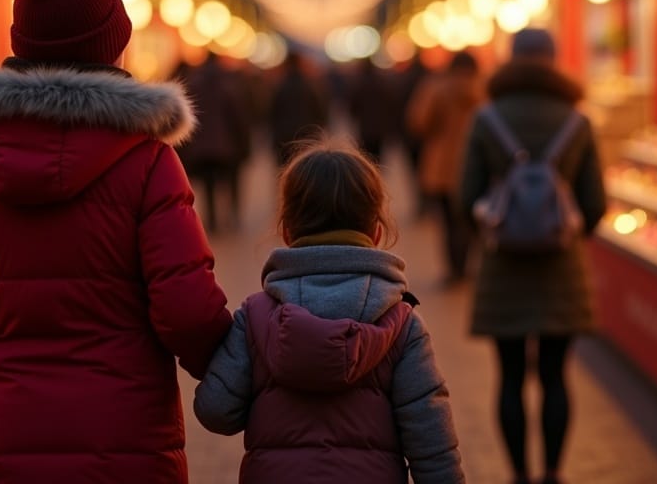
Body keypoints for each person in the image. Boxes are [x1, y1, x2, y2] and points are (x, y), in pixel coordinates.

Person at [0, 0, 232, 483]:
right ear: (110, 50)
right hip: (127, 439)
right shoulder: (147, 162)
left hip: (3, 435)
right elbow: (187, 309)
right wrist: (234, 379)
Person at [193, 139, 465, 484]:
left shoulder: (255, 318)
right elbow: (431, 440)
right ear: (377, 232)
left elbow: (216, 411)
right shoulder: (402, 325)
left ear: (287, 232)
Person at [459, 28, 606, 484]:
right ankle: (554, 473)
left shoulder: (487, 119)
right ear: (554, 61)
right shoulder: (576, 121)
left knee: (508, 377)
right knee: (556, 376)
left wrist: (497, 229)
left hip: (503, 265)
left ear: (511, 60)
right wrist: (562, 232)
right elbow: (596, 204)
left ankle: (519, 473)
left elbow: (465, 198)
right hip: (561, 268)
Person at [405, 50, 484, 283]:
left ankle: (454, 269)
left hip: (442, 165)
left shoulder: (436, 88)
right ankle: (470, 265)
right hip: (475, 164)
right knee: (472, 219)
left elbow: (418, 122)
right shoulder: (485, 91)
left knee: (449, 222)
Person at [177, 50, 253, 233]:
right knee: (230, 181)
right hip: (226, 144)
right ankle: (232, 215)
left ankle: (212, 221)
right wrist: (244, 142)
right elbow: (237, 116)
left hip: (201, 145)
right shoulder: (228, 84)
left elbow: (186, 116)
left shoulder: (193, 84)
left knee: (208, 184)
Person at [267, 50, 330, 165]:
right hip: (305, 136)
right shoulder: (310, 86)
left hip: (284, 137)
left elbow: (272, 113)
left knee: (284, 169)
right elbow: (320, 111)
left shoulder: (279, 86)